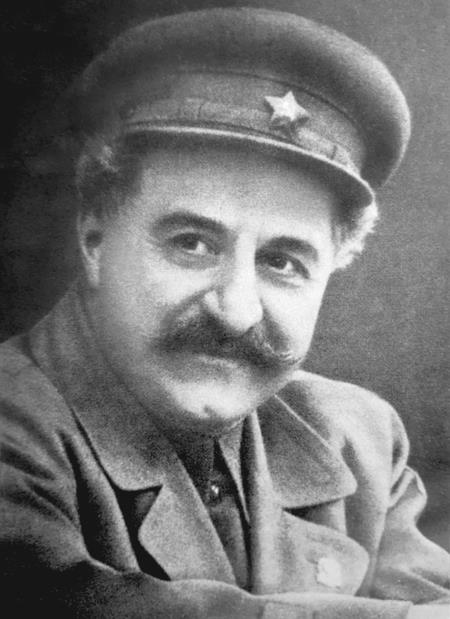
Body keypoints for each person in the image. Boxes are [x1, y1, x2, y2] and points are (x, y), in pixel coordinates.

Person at [1, 7, 449, 618]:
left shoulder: (361, 439)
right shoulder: (13, 426)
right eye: (192, 244)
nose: (236, 312)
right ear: (95, 241)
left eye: (282, 262)